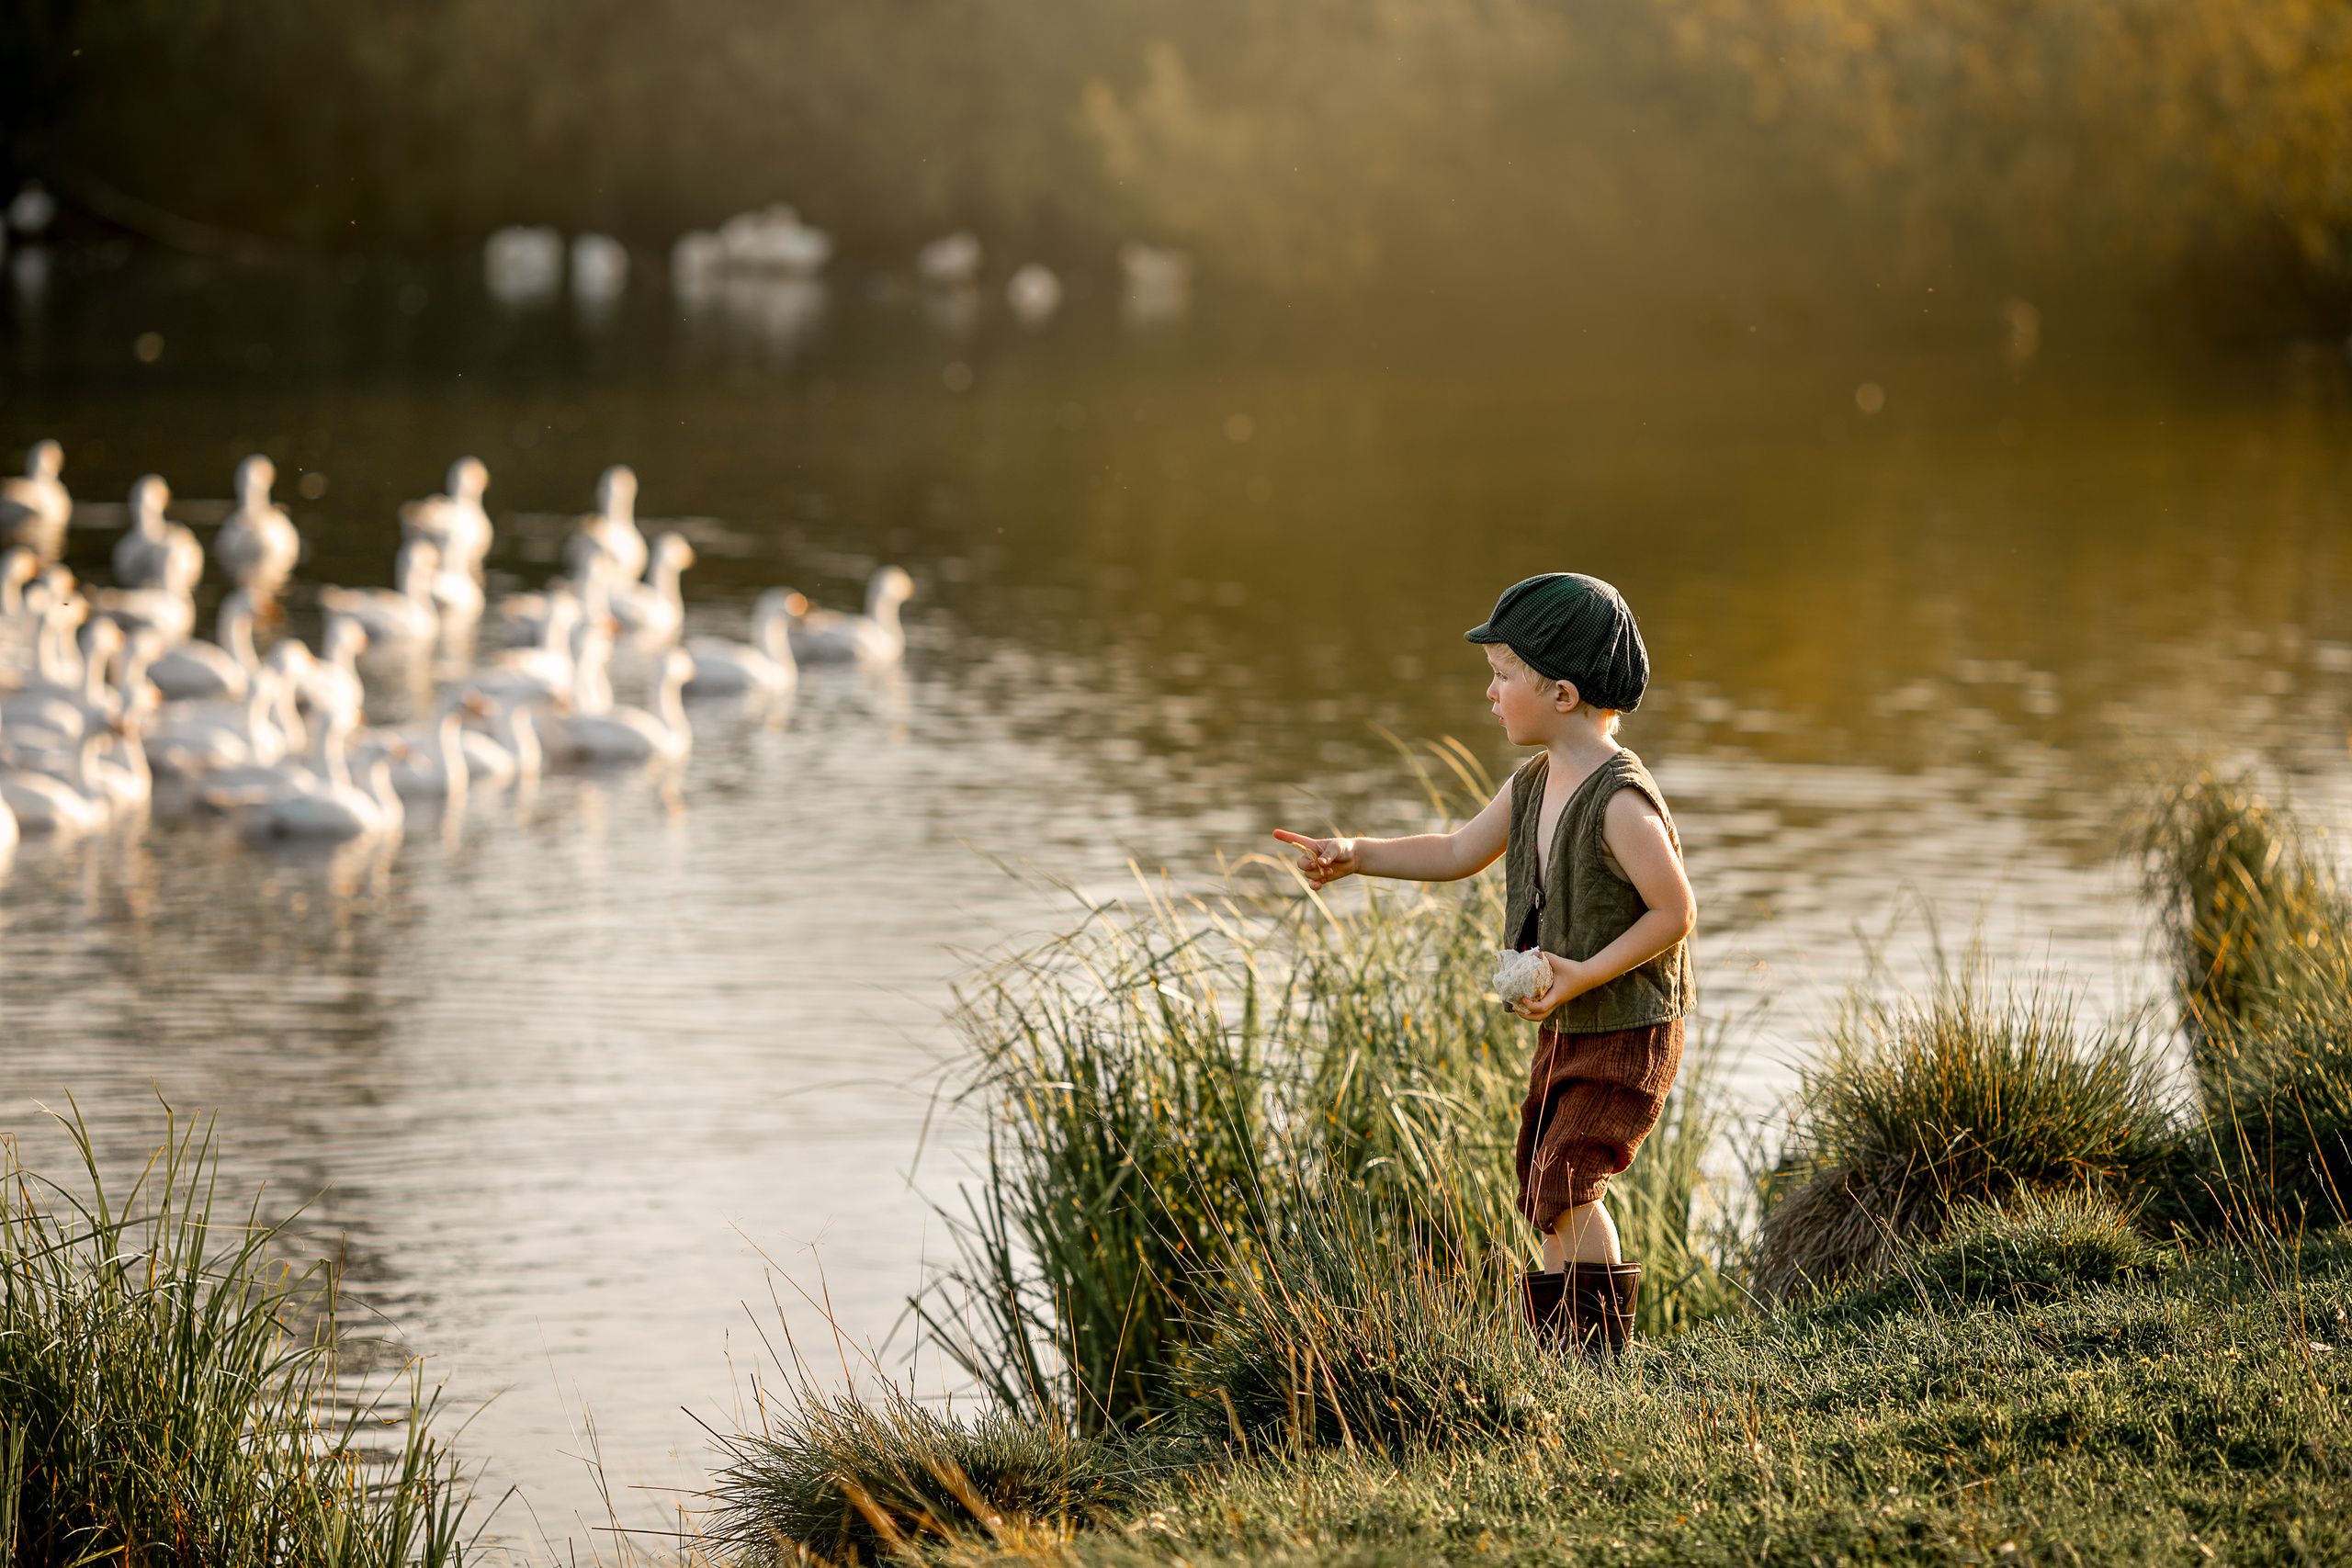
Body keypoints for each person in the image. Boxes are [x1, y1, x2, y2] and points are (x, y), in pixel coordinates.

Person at [1271, 572, 1696, 1353]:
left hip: (1628, 1025)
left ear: (1562, 692)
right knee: (1544, 1178)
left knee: (1568, 1176)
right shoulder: (1533, 783)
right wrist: (1356, 854)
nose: (1491, 692)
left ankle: (1598, 1359)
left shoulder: (1620, 801)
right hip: (1571, 1021)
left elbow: (1677, 912)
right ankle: (1568, 1352)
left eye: (1503, 674)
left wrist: (1583, 973)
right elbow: (1457, 851)